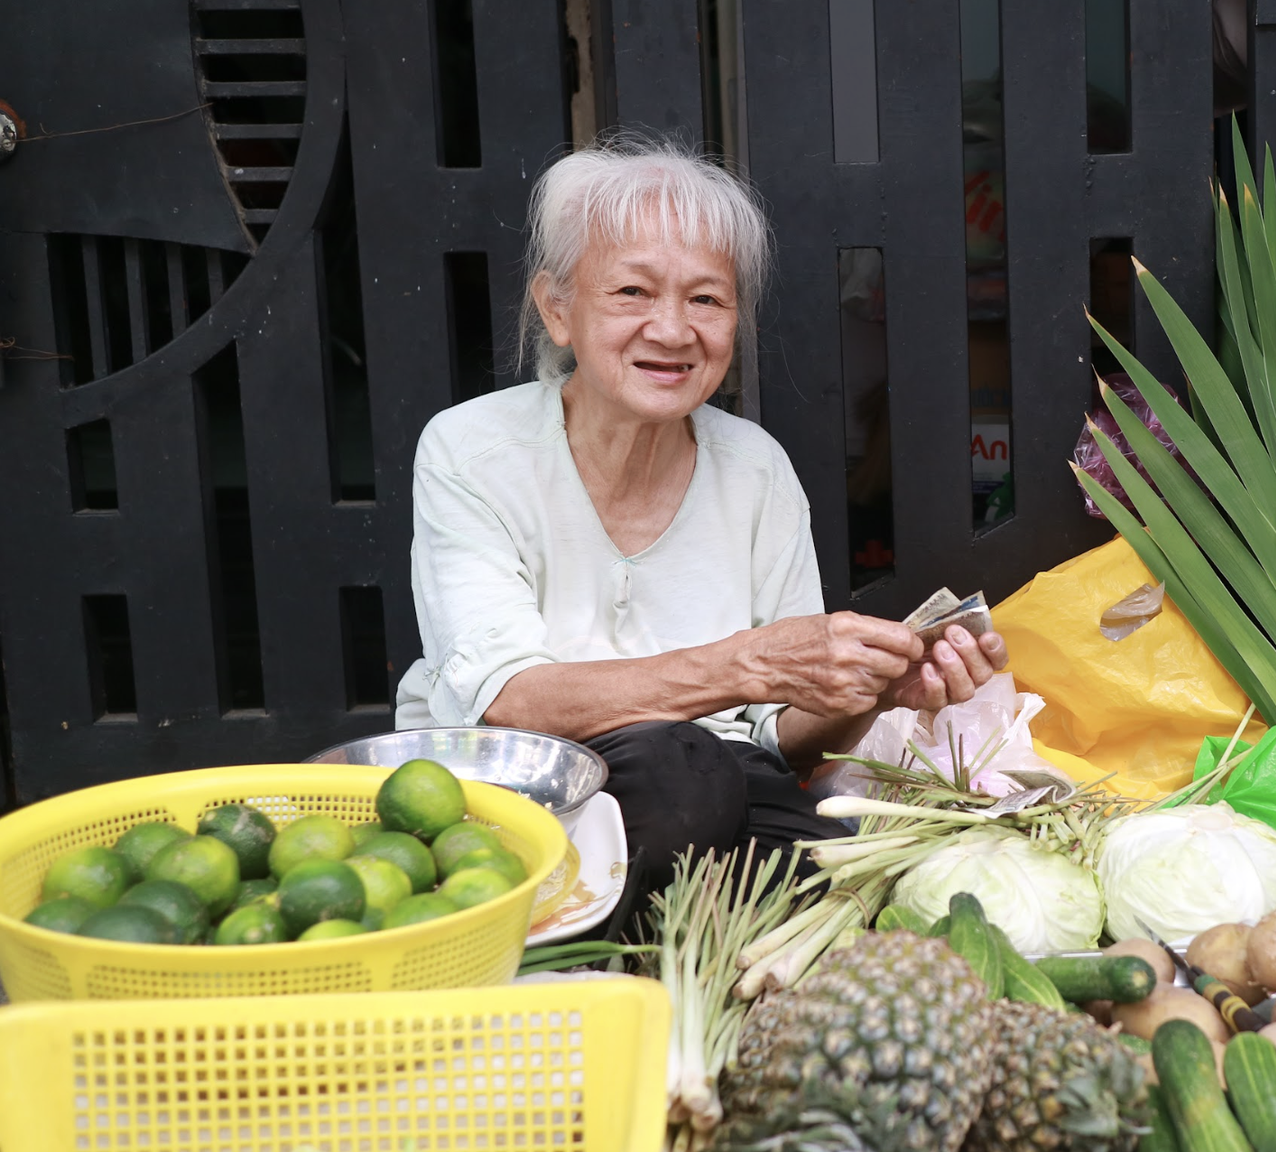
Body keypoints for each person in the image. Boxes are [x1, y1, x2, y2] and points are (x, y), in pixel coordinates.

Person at [395, 136, 1007, 894]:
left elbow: (782, 742)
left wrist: (872, 690)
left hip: (717, 787)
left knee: (847, 873)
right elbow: (509, 701)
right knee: (677, 775)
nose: (673, 330)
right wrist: (749, 663)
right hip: (515, 792)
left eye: (706, 299)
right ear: (558, 310)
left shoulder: (755, 469)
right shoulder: (472, 450)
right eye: (632, 292)